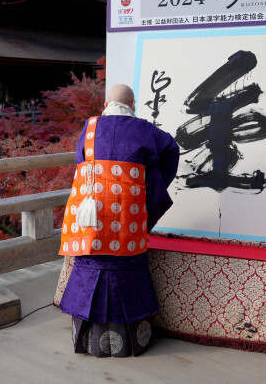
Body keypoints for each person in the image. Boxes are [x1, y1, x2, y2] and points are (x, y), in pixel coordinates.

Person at [58, 83, 179, 357]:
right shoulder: (146, 129)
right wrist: (152, 183)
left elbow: (82, 165)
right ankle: (130, 342)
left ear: (105, 106)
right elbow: (171, 149)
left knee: (91, 263)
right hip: (128, 213)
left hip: (91, 218)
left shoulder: (88, 128)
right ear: (133, 105)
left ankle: (87, 341)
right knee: (128, 266)